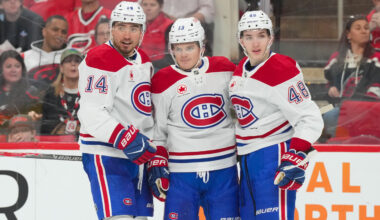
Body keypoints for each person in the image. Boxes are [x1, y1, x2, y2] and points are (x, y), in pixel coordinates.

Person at [229, 10, 323, 219]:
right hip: (246, 159)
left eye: (261, 35)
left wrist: (297, 152)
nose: (255, 43)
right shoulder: (239, 71)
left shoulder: (281, 68)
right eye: (249, 36)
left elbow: (309, 116)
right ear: (240, 40)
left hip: (273, 155)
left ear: (271, 37)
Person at [77, 2, 168, 219]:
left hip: (137, 158)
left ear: (142, 32)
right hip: (107, 154)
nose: (127, 35)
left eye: (134, 28)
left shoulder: (144, 61)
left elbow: (145, 113)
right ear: (111, 28)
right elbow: (91, 112)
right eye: (121, 27)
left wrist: (156, 155)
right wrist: (124, 138)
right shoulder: (99, 58)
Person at [151, 17, 239, 220]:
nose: (182, 55)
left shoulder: (224, 69)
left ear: (202, 46)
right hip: (182, 173)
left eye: (189, 47)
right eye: (177, 48)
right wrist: (158, 159)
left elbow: (245, 108)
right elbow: (158, 131)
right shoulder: (162, 80)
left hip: (223, 169)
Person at [323, 15, 380, 137]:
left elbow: (376, 89)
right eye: (358, 28)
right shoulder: (337, 58)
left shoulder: (376, 58)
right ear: (348, 34)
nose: (364, 31)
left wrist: (352, 106)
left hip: (367, 109)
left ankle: (335, 146)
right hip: (336, 105)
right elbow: (328, 84)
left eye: (366, 28)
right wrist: (330, 89)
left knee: (331, 116)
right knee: (318, 113)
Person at [40, 48, 82, 136]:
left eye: (77, 61)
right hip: (55, 143)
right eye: (68, 61)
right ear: (61, 68)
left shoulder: (89, 93)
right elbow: (44, 126)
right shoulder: (51, 94)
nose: (73, 64)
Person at [23, 15, 68, 88]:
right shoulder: (24, 57)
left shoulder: (72, 59)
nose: (60, 35)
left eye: (63, 32)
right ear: (44, 32)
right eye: (55, 30)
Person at [0, 50, 40, 125]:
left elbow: (38, 116)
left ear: (22, 69)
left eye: (17, 66)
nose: (13, 70)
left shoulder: (31, 91)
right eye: (8, 66)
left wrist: (34, 115)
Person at [140, 0, 173, 71]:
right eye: (145, 5)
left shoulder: (170, 26)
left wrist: (147, 64)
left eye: (152, 5)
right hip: (141, 66)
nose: (148, 8)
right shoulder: (138, 25)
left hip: (161, 68)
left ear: (161, 7)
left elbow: (171, 58)